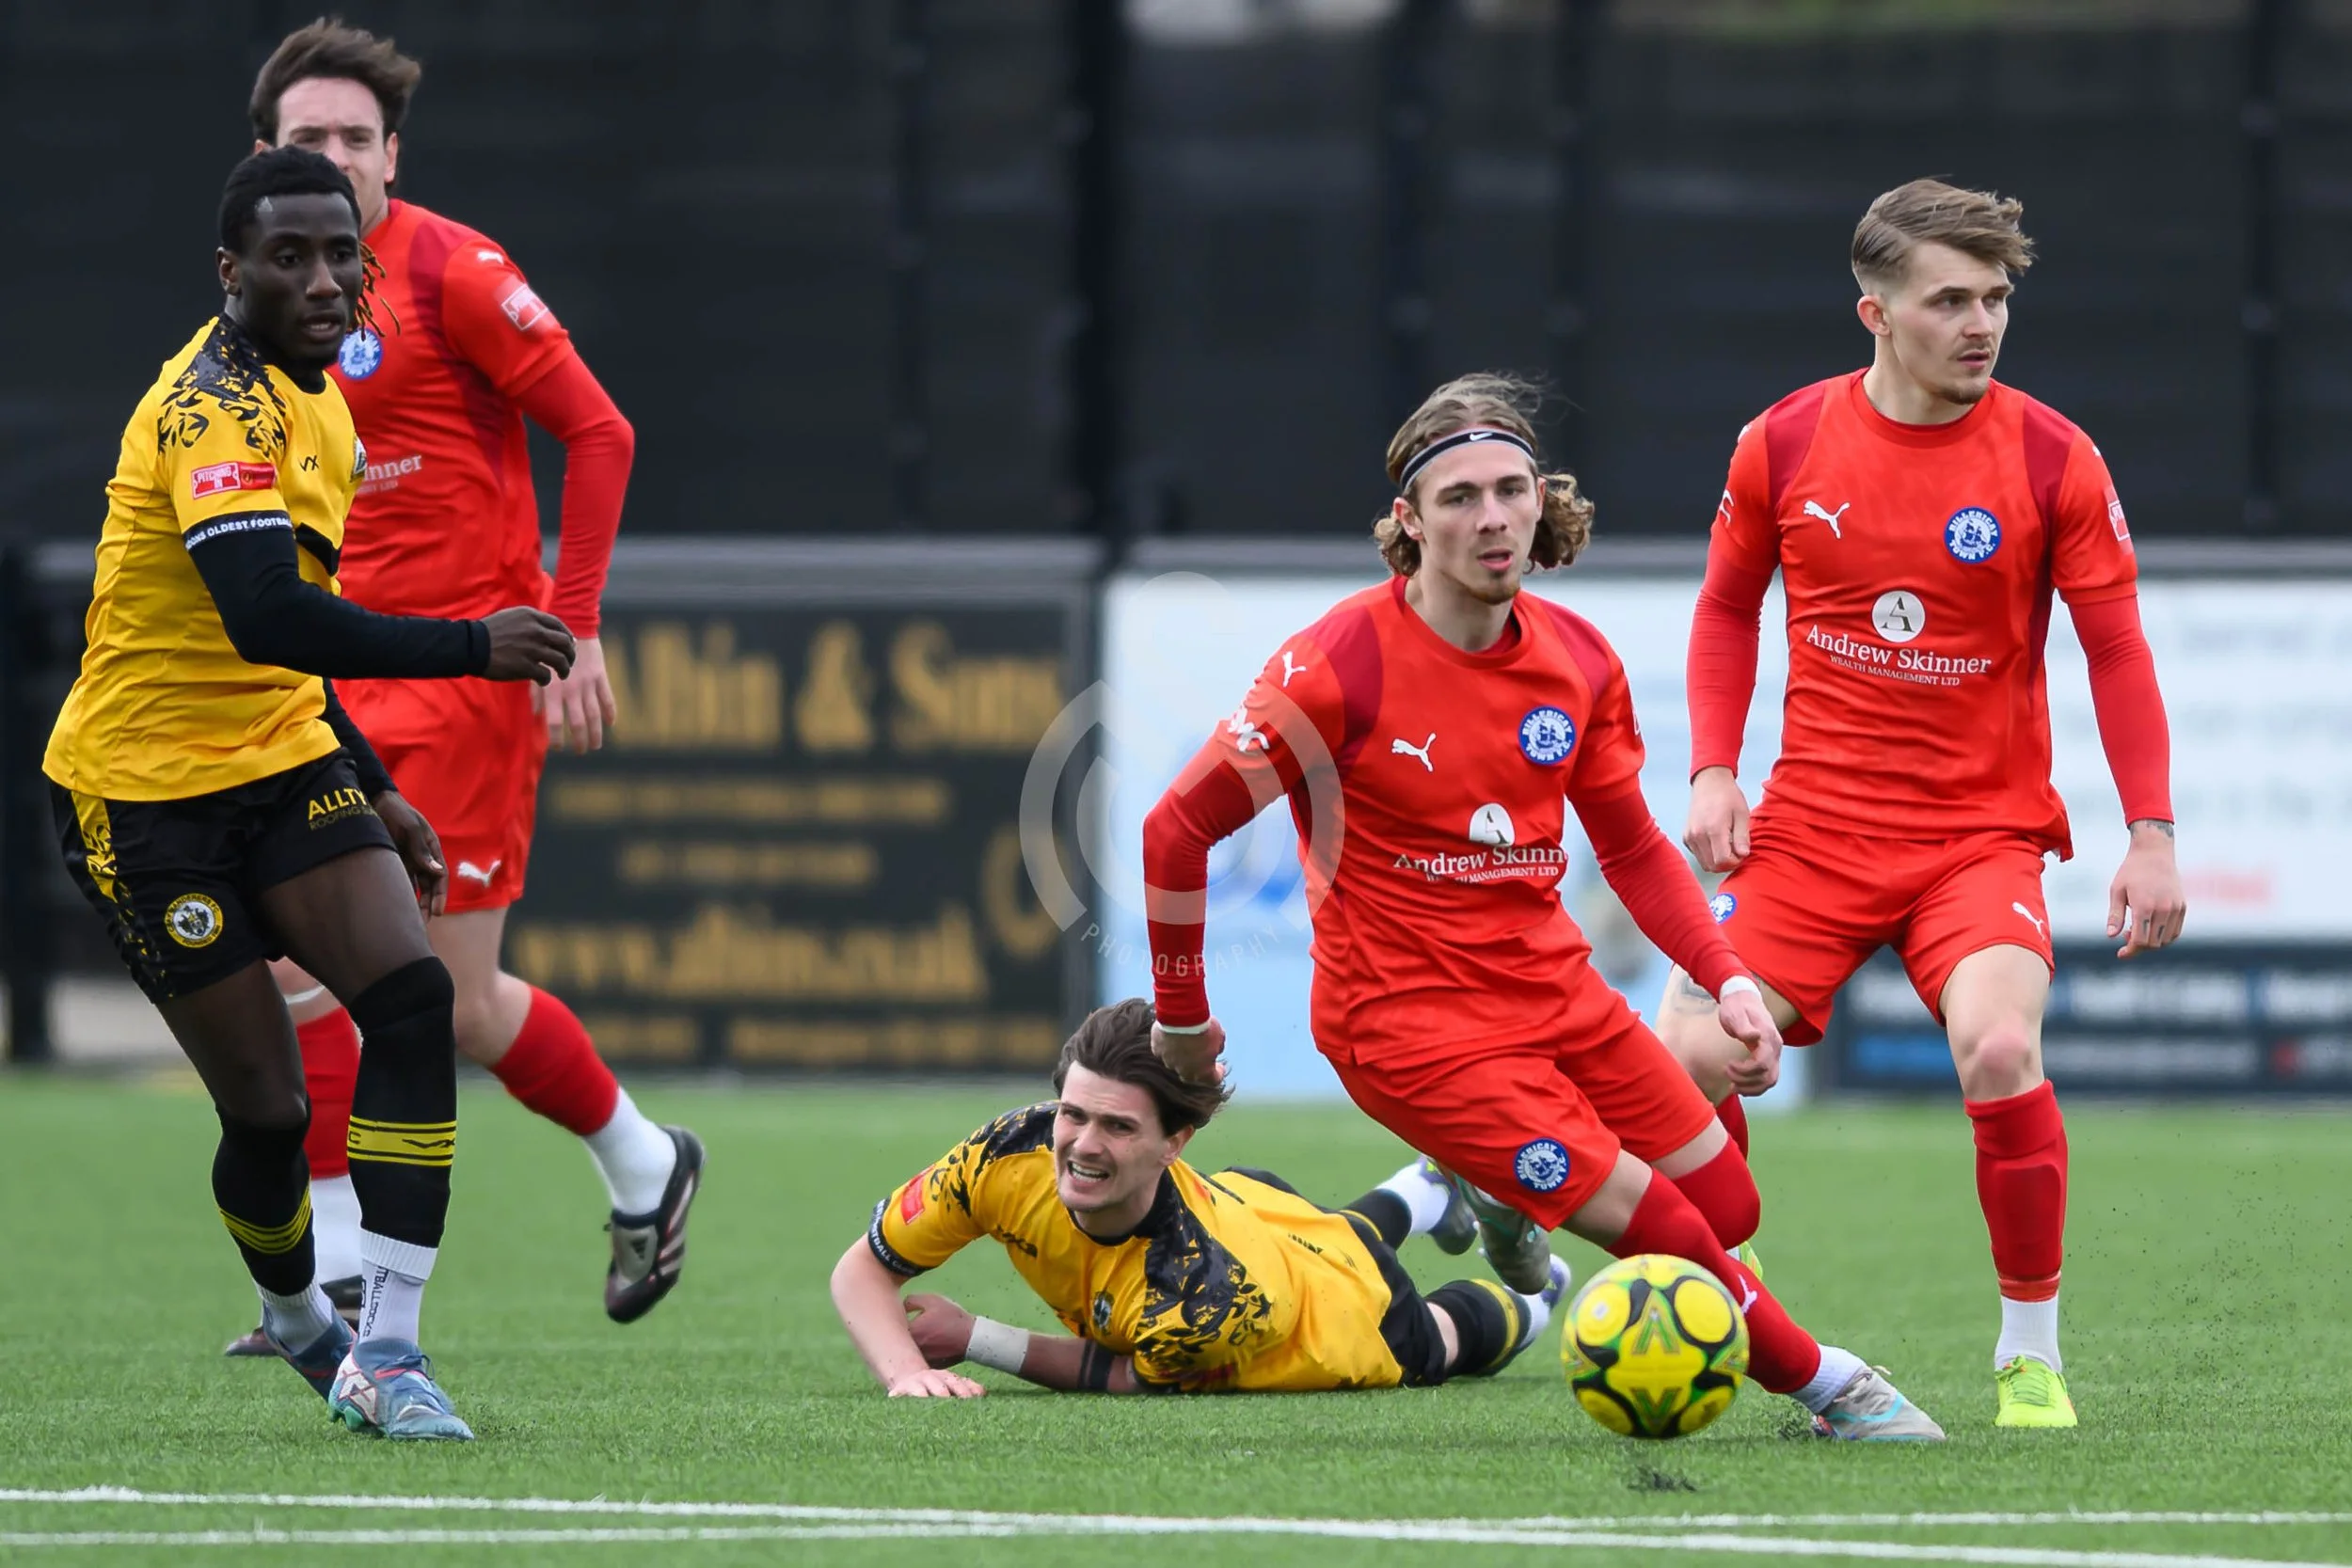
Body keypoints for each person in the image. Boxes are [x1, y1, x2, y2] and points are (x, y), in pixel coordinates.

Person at [1141, 373, 1942, 1440]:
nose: (1492, 518)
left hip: (1550, 987)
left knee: (1728, 1207)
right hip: (1405, 1026)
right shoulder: (1335, 665)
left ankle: (1493, 1188)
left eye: (1511, 489)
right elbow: (1172, 833)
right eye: (1460, 497)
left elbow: (1636, 851)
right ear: (1407, 522)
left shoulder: (1575, 659)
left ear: (1541, 501)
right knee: (1658, 1219)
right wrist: (1182, 1022)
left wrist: (1729, 977)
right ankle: (1832, 1388)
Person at [44, 147, 576, 1438]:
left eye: (343, 254)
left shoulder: (324, 393)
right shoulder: (208, 408)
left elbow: (289, 643)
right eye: (291, 257)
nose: (326, 278)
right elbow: (268, 612)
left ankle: (389, 1347)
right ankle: (297, 1316)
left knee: (410, 996)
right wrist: (470, 642)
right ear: (232, 273)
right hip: (143, 798)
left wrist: (376, 787)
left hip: (282, 764)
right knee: (271, 1111)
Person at [1658, 179, 2184, 1431]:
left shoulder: (2054, 455)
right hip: (1812, 831)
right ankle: (1741, 1294)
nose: (1981, 322)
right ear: (1875, 311)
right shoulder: (1781, 442)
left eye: (1996, 297)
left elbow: (2118, 649)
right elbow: (1728, 606)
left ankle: (2028, 1355)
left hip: (1976, 837)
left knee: (2001, 1047)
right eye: (1951, 298)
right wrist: (1714, 767)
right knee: (1681, 1053)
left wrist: (2151, 831)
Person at [215, 20, 699, 1357]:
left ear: (391, 157)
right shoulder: (257, 297)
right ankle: (644, 1161)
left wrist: (577, 625)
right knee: (405, 984)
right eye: (309, 139)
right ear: (266, 157)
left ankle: (344, 1273)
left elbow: (601, 430)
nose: (336, 160)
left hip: (460, 674)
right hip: (327, 674)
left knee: (372, 971)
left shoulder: (457, 272)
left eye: (357, 141)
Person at [833, 1000, 1565, 1397]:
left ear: (1174, 1141)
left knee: (1435, 1336)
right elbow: (862, 1269)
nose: (1082, 1143)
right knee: (1336, 1228)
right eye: (1074, 1112)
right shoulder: (1007, 1151)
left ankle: (1544, 1291)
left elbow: (1113, 1372)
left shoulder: (1207, 1296)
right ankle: (1432, 1183)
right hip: (1245, 1205)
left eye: (1117, 1126)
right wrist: (907, 1374)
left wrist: (977, 1339)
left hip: (1334, 1312)